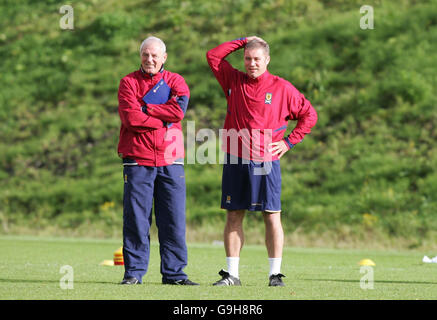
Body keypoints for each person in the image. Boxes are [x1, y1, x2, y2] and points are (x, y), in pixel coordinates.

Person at [206, 36, 317, 287]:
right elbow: (213, 56)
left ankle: (274, 274)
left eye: (257, 59)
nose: (251, 63)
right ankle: (232, 275)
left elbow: (309, 115)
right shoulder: (233, 80)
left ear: (267, 60)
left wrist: (288, 142)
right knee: (233, 215)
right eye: (247, 58)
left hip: (266, 161)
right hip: (236, 158)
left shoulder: (282, 88)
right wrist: (245, 40)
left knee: (271, 215)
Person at [117, 36, 198, 285]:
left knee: (173, 220)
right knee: (137, 220)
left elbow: (178, 112)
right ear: (140, 56)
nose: (149, 59)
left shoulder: (176, 81)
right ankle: (133, 273)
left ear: (164, 58)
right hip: (137, 160)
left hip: (170, 160)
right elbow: (131, 120)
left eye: (155, 55)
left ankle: (174, 275)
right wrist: (163, 116)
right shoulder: (128, 83)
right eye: (145, 55)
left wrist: (146, 108)